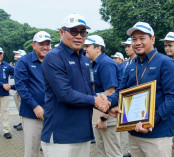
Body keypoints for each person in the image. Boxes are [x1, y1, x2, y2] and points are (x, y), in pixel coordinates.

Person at [40, 13, 110, 157]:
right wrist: (95, 101)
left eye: (82, 32)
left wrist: (106, 108)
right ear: (61, 32)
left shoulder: (84, 60)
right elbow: (65, 94)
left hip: (83, 134)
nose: (79, 36)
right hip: (61, 136)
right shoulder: (54, 57)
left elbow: (88, 92)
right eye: (73, 31)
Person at [108, 22, 174, 157]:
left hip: (158, 134)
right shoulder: (130, 66)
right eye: (134, 39)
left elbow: (173, 98)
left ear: (152, 39)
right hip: (133, 132)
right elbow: (120, 91)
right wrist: (107, 103)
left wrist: (151, 120)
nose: (137, 42)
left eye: (142, 38)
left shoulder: (165, 63)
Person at [84, 35, 122, 157]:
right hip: (99, 111)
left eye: (88, 46)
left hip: (108, 112)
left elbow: (110, 92)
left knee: (112, 151)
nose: (85, 49)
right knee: (102, 150)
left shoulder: (106, 63)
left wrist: (104, 118)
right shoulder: (94, 64)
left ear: (98, 48)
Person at [14, 31, 51, 157]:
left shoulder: (52, 61)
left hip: (52, 113)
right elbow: (21, 87)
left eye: (47, 44)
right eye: (41, 44)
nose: (45, 47)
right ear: (34, 45)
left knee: (52, 150)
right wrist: (35, 106)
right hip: (31, 114)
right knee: (31, 151)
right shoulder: (24, 61)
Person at [0, 47, 14, 139]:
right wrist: (2, 84)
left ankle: (6, 131)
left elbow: (15, 73)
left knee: (5, 112)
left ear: (3, 54)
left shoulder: (7, 65)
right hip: (3, 88)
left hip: (4, 93)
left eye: (0, 53)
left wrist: (11, 85)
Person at [12, 49, 27, 131]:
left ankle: (23, 123)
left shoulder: (23, 64)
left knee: (23, 107)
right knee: (19, 107)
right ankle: (22, 122)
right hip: (18, 90)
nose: (15, 55)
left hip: (23, 91)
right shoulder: (18, 64)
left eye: (17, 54)